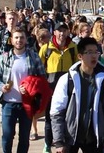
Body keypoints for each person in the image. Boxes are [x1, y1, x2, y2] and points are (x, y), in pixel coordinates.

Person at [50, 37, 104, 153]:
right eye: (89, 52)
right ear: (80, 56)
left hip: (94, 138)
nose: (94, 56)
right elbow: (56, 112)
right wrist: (59, 141)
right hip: (70, 137)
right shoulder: (67, 80)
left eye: (96, 52)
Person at [0, 27, 47, 153]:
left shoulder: (34, 57)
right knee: (7, 136)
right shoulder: (4, 57)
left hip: (27, 104)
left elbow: (42, 78)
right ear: (11, 40)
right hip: (8, 103)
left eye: (22, 37)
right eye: (16, 37)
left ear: (26, 40)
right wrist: (2, 86)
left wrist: (30, 87)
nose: (19, 40)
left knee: (24, 138)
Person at [39, 22, 79, 153]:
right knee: (51, 118)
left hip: (67, 88)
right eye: (59, 31)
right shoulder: (46, 48)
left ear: (68, 32)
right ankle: (47, 143)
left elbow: (77, 67)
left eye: (64, 31)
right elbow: (39, 68)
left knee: (67, 117)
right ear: (54, 33)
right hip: (50, 88)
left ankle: (65, 143)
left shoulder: (73, 48)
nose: (62, 34)